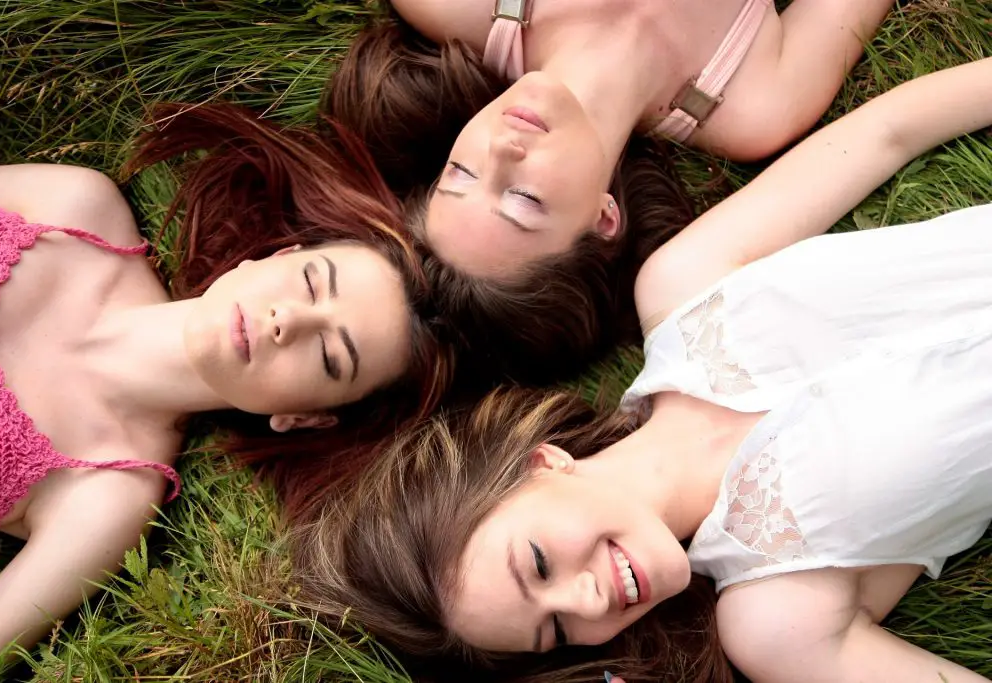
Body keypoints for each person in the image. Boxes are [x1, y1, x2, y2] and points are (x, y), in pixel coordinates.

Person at [295, 56, 992, 682]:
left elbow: (889, 132)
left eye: (538, 563)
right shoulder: (777, 619)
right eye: (558, 630)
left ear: (541, 462)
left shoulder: (682, 288)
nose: (589, 598)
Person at [0, 103, 449, 678]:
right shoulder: (75, 207)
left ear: (304, 415)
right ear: (276, 256)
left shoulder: (108, 494)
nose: (286, 321)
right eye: (310, 283)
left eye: (327, 356)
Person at [319, 0, 894, 383]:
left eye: (461, 176)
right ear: (603, 219)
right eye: (523, 201)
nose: (499, 150)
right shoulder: (752, 105)